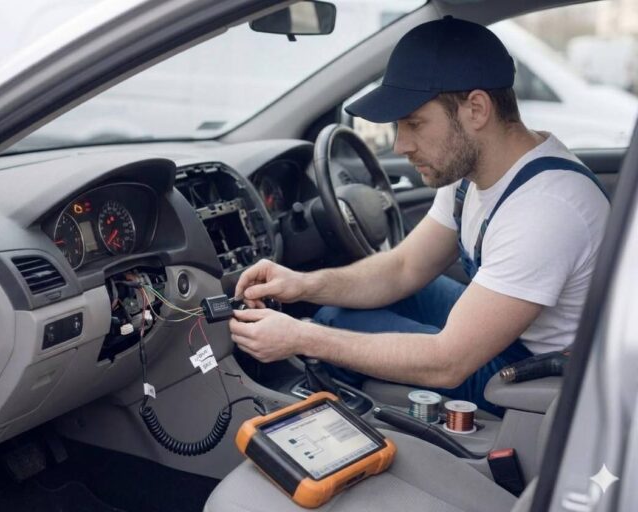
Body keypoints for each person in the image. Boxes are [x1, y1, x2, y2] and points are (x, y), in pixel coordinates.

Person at [228, 16, 610, 415]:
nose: (401, 144)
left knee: (331, 327)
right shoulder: (475, 172)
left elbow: (447, 361)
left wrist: (300, 338)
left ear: (476, 109)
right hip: (510, 334)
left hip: (539, 380)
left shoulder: (546, 208)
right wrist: (301, 285)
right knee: (338, 311)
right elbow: (404, 267)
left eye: (414, 123)